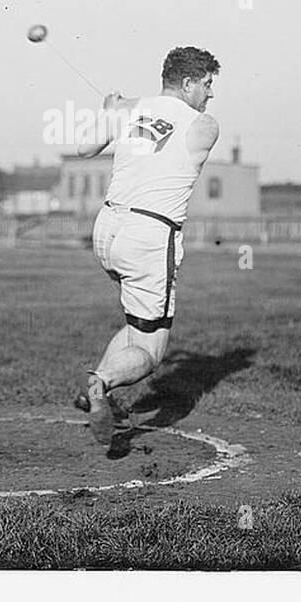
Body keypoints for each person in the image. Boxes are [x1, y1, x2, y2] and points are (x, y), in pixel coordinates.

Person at [75, 46, 221, 445]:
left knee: (135, 322)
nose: (210, 94)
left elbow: (83, 147)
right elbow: (187, 122)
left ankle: (96, 392)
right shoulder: (204, 125)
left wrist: (115, 107)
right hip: (149, 237)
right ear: (188, 83)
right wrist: (125, 105)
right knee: (152, 352)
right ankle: (101, 383)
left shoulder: (126, 112)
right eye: (207, 84)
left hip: (106, 230)